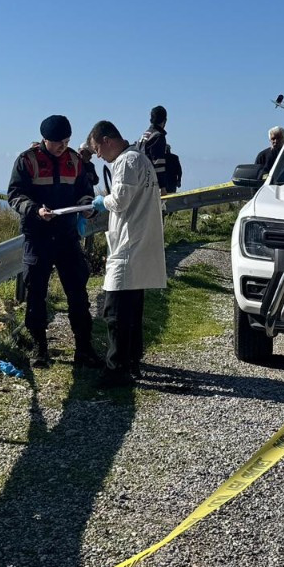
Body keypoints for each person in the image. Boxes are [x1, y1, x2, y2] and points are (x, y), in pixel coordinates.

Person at [8, 115, 104, 368]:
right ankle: (39, 349)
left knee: (78, 293)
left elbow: (85, 191)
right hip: (37, 237)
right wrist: (35, 210)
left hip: (67, 237)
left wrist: (87, 208)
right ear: (45, 139)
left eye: (67, 141)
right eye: (59, 142)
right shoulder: (26, 160)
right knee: (36, 294)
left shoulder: (74, 160)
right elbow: (15, 195)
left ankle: (84, 348)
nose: (63, 146)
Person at [87, 120, 167, 385]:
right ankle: (132, 361)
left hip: (130, 244)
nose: (98, 155)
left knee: (115, 312)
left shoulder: (126, 162)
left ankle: (116, 368)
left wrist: (102, 201)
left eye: (97, 149)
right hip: (138, 241)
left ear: (107, 140)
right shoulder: (140, 159)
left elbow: (120, 200)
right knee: (132, 310)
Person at [138, 105, 179, 194]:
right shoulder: (157, 136)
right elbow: (158, 163)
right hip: (150, 184)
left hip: (140, 180)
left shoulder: (144, 135)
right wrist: (162, 187)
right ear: (165, 121)